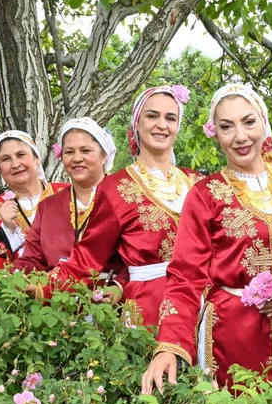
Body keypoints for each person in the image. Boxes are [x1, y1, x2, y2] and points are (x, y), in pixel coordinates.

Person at [142, 84, 272, 393]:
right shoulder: (205, 195)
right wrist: (168, 344)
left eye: (249, 122)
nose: (240, 136)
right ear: (215, 133)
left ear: (263, 122)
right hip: (233, 336)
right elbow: (186, 275)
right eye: (227, 126)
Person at [33, 85, 203, 327]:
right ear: (136, 123)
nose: (162, 125)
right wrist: (36, 287)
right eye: (152, 116)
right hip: (149, 309)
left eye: (170, 118)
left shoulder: (196, 182)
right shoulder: (115, 188)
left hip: (200, 302)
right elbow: (88, 257)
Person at [13, 117, 121, 274]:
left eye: (86, 151)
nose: (77, 158)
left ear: (104, 155)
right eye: (69, 152)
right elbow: (32, 258)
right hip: (56, 294)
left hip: (111, 293)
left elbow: (140, 255)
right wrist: (13, 277)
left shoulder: (123, 197)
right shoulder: (48, 206)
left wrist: (119, 283)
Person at [0, 131, 62, 269]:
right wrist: (6, 230)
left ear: (36, 158)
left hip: (71, 285)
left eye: (21, 155)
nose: (15, 164)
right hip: (18, 288)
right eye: (6, 159)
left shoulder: (65, 193)